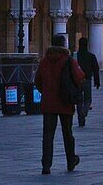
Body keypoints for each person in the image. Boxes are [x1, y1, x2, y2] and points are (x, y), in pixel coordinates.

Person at [34, 34, 84, 175]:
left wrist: (47, 92)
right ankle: (70, 161)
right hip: (65, 102)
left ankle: (46, 165)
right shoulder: (68, 60)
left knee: (48, 135)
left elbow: (37, 80)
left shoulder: (44, 61)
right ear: (63, 45)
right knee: (67, 133)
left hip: (48, 103)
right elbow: (79, 77)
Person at [75, 37, 100, 127]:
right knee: (88, 98)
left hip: (77, 81)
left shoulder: (75, 56)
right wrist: (97, 81)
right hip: (87, 79)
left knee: (79, 100)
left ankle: (80, 119)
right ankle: (83, 113)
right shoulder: (91, 56)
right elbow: (95, 69)